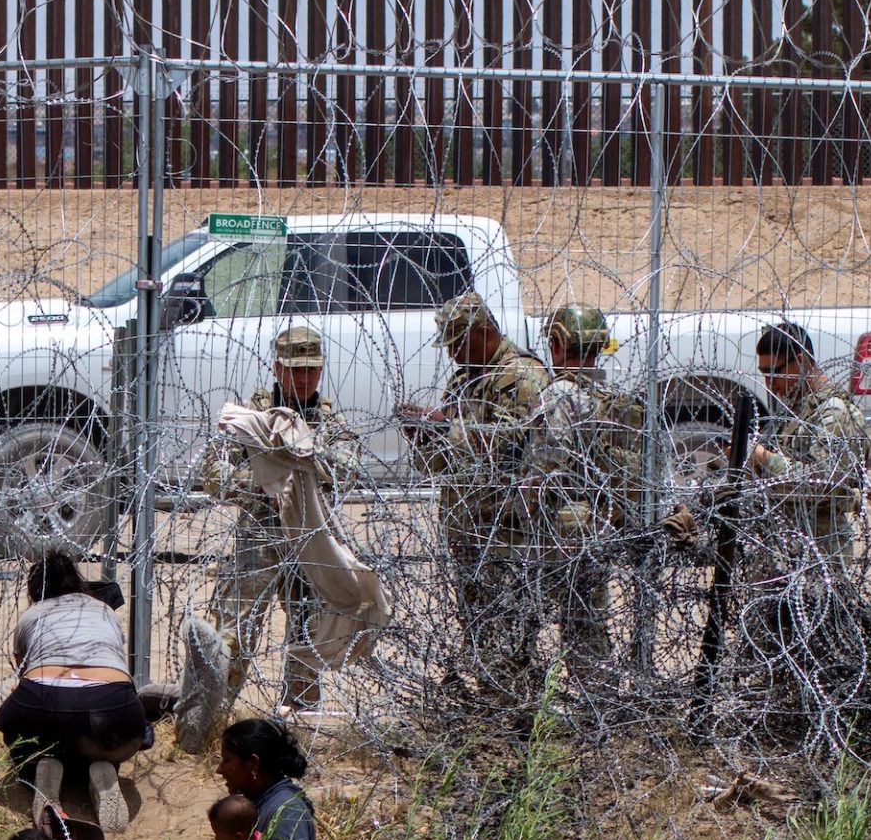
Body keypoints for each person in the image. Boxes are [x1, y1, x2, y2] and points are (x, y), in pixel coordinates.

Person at [206, 324, 371, 716]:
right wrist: (270, 482)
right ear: (277, 368)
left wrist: (296, 470)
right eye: (296, 370)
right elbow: (214, 475)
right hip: (259, 539)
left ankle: (297, 718)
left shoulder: (330, 423)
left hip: (310, 542)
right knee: (235, 632)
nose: (304, 378)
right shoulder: (250, 420)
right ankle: (212, 713)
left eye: (312, 370)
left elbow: (346, 471)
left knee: (307, 632)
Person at [398, 292, 553, 705]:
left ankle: (514, 709)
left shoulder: (520, 376)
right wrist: (424, 435)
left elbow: (514, 449)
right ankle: (494, 702)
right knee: (480, 626)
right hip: (467, 524)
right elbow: (442, 460)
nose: (451, 354)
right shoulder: (466, 378)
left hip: (507, 528)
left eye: (457, 343)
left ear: (485, 332)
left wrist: (441, 427)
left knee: (510, 626)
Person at [0, 550, 147, 832]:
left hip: (49, 702)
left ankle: (41, 773)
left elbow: (23, 675)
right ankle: (103, 769)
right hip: (117, 713)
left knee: (9, 723)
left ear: (34, 590)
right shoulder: (104, 611)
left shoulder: (32, 616)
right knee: (106, 729)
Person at [529, 302, 627, 692]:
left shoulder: (558, 396)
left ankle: (593, 703)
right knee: (588, 616)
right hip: (601, 516)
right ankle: (599, 697)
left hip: (563, 522)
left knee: (559, 617)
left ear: (556, 344)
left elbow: (551, 462)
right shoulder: (608, 394)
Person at [742, 321, 867, 576]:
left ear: (800, 361)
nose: (769, 383)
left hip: (819, 551)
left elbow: (822, 482)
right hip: (785, 544)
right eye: (764, 374)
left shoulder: (834, 413)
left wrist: (762, 457)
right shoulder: (794, 410)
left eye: (775, 372)